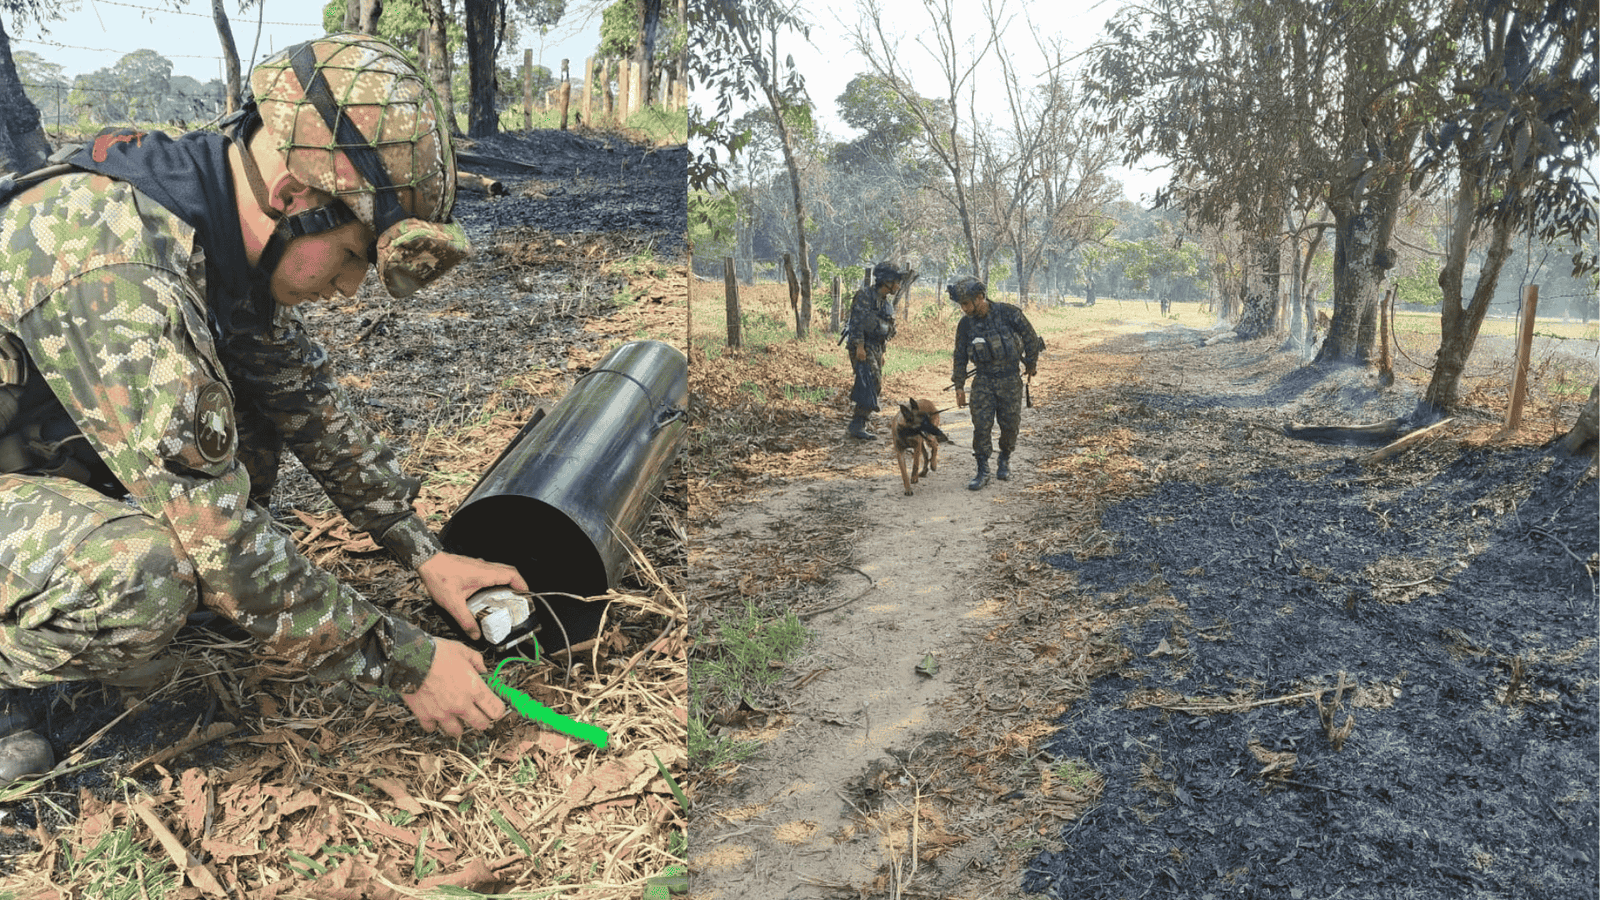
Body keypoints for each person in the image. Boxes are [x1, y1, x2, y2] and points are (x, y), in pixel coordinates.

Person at [0, 34, 523, 786]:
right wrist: (408, 665)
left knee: (241, 423)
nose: (347, 291)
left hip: (23, 455)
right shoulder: (113, 257)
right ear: (294, 198)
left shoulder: (211, 221)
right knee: (145, 576)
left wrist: (423, 550)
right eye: (349, 258)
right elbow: (216, 537)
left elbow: (307, 401)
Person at [949, 277, 1044, 490]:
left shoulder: (1009, 313)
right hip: (983, 379)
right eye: (961, 304)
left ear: (980, 297)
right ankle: (982, 469)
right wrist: (959, 386)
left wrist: (1031, 363)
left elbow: (1030, 337)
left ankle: (1004, 458)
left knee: (1010, 425)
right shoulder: (965, 324)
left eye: (966, 303)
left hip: (1010, 379)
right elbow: (960, 356)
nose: (963, 309)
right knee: (981, 426)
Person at [842, 262, 905, 440]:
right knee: (871, 381)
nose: (898, 286)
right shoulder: (864, 296)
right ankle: (857, 424)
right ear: (887, 281)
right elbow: (856, 323)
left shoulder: (885, 303)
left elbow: (885, 331)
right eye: (897, 281)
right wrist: (859, 347)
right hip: (862, 346)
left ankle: (859, 422)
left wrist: (882, 352)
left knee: (872, 384)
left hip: (876, 347)